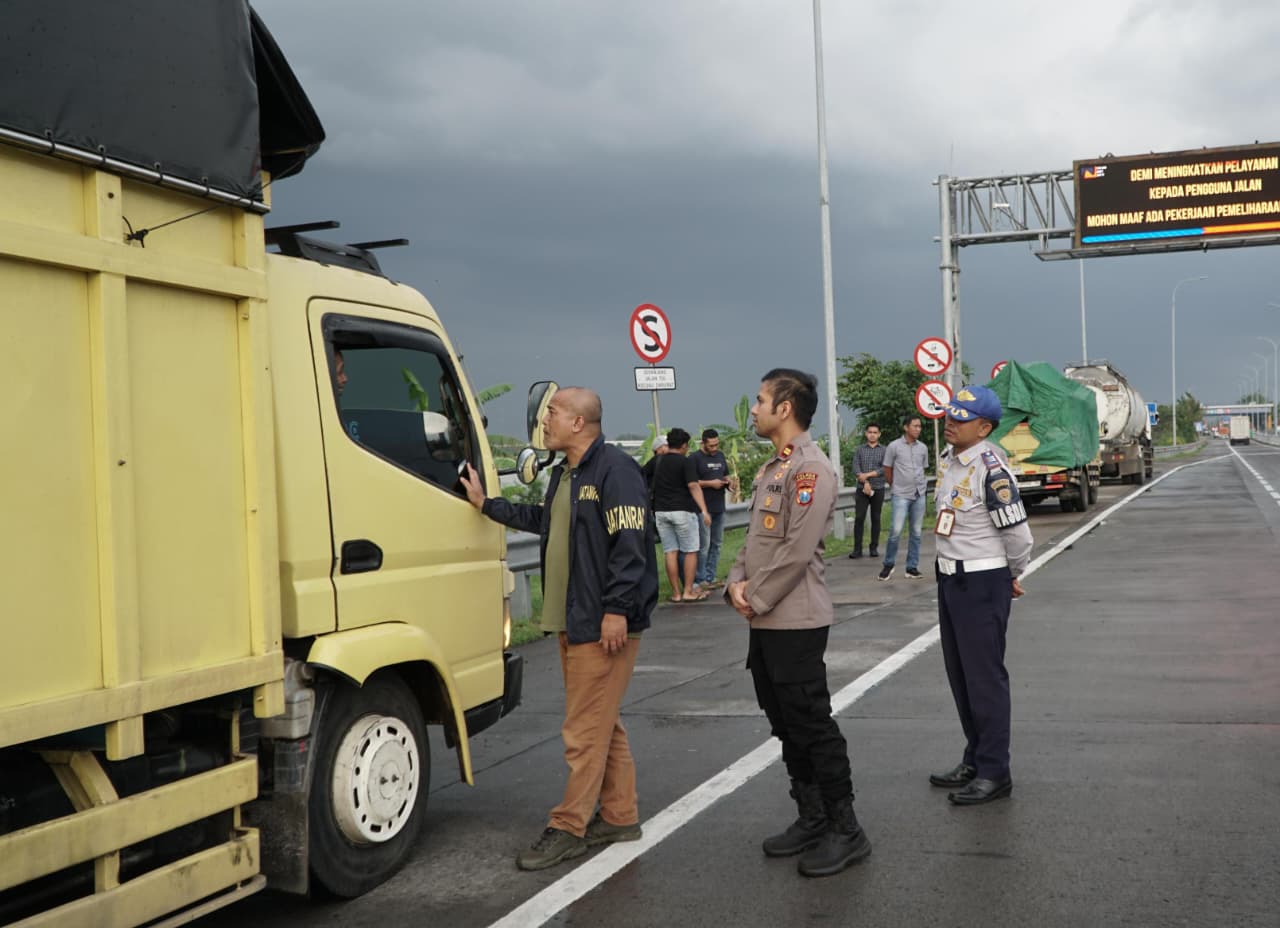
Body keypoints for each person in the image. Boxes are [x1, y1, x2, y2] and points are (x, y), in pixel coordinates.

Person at [459, 387, 659, 869]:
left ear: (577, 423)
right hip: (576, 618)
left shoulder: (616, 471)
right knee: (601, 723)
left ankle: (568, 825)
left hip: (601, 622)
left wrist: (617, 609)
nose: (544, 420)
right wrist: (488, 505)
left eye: (552, 412)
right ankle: (618, 815)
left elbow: (631, 544)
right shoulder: (567, 474)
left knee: (583, 730)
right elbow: (547, 523)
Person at [726, 368, 871, 878]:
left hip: (795, 620)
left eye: (762, 399)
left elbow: (797, 551)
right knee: (784, 722)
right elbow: (754, 542)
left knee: (812, 724)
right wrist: (734, 583)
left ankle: (845, 826)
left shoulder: (812, 470)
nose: (757, 406)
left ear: (785, 408)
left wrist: (756, 596)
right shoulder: (774, 469)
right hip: (764, 620)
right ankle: (811, 816)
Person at [928, 385, 1033, 806]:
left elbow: (1019, 536)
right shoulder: (950, 462)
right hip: (950, 579)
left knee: (985, 679)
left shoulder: (992, 470)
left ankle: (995, 771)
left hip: (982, 583)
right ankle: (974, 757)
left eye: (960, 419)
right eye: (949, 416)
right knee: (961, 678)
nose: (950, 423)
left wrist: (1011, 575)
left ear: (985, 427)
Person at [652, 428, 712, 602]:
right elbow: (693, 486)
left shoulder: (657, 461)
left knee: (670, 552)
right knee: (690, 551)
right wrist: (704, 510)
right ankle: (688, 591)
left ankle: (676, 594)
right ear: (684, 445)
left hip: (661, 512)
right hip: (683, 511)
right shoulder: (685, 462)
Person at [879, 414, 929, 581]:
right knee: (896, 531)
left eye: (919, 426)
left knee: (916, 532)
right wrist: (894, 485)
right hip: (901, 493)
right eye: (915, 426)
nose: (918, 429)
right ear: (906, 427)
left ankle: (912, 567)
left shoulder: (922, 448)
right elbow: (887, 468)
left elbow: (923, 468)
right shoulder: (894, 446)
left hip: (919, 493)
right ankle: (889, 564)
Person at [690, 428, 731, 589]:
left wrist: (729, 482)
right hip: (703, 508)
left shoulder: (720, 456)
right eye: (711, 446)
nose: (714, 448)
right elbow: (692, 482)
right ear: (703, 443)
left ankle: (711, 576)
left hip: (719, 506)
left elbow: (725, 475)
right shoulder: (694, 458)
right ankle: (700, 579)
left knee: (717, 544)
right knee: (704, 545)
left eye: (716, 445)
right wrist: (710, 483)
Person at [847, 422, 886, 560]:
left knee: (876, 518)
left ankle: (873, 547)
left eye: (875, 432)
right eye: (870, 432)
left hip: (879, 488)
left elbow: (884, 469)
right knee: (859, 518)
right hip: (861, 489)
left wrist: (868, 476)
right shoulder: (859, 450)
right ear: (866, 434)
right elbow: (855, 468)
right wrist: (865, 482)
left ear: (879, 434)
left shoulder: (884, 450)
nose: (872, 434)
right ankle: (857, 549)